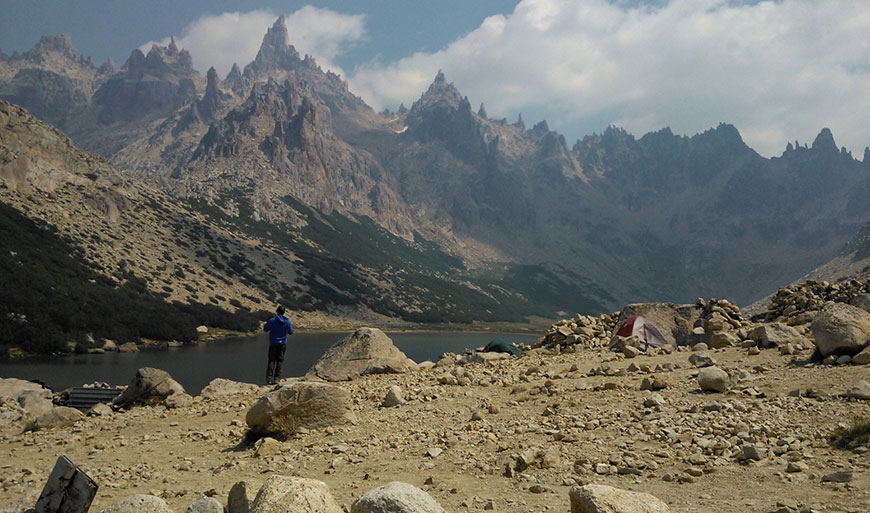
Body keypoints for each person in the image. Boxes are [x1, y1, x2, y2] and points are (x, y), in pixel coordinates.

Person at [263, 305, 293, 385]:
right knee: (280, 361)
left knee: (271, 360)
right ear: (284, 312)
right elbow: (291, 332)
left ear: (277, 311)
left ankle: (269, 379)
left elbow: (265, 329)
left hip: (273, 343)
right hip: (282, 344)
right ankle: (277, 378)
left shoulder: (272, 320)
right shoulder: (287, 321)